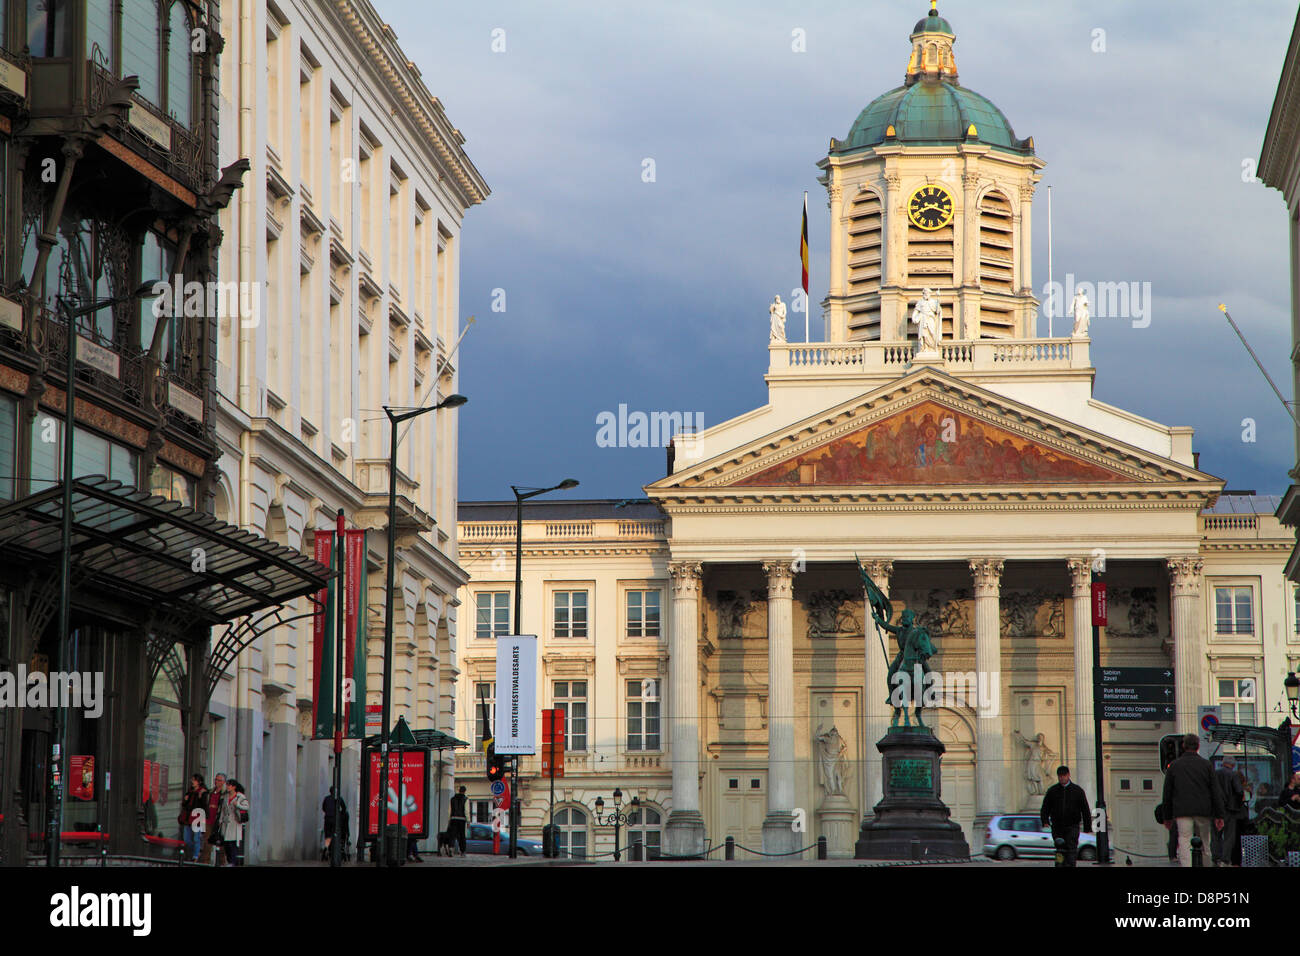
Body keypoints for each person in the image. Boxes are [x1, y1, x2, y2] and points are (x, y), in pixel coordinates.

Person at [1161, 734, 1224, 867]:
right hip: (1203, 811)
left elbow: (1167, 794)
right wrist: (1219, 815)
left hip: (1182, 811)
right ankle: (1206, 864)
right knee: (1205, 842)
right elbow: (1215, 792)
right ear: (1198, 746)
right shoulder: (1206, 765)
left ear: (1183, 746)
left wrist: (1167, 817)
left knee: (1184, 840)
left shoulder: (1174, 766)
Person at [1040, 765, 1092, 866]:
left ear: (1068, 775)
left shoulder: (1077, 791)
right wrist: (1045, 821)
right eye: (1060, 776)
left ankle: (1071, 865)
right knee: (1059, 849)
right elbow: (1045, 808)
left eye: (1064, 776)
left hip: (1072, 826)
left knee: (1071, 850)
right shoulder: (1052, 791)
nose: (1062, 778)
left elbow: (1085, 809)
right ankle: (1059, 865)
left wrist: (1087, 827)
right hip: (1057, 827)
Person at [1211, 756, 1246, 867]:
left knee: (1216, 834)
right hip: (1230, 809)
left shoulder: (1215, 774)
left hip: (1216, 809)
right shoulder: (1234, 774)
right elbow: (1239, 791)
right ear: (1233, 764)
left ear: (1223, 763)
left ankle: (1216, 858)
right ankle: (1225, 859)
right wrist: (1238, 803)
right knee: (1229, 836)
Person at [218, 777, 250, 866]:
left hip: (235, 822)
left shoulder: (240, 796)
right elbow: (223, 810)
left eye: (230, 785)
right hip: (226, 822)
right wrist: (220, 820)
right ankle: (230, 861)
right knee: (226, 844)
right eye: (227, 785)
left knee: (232, 844)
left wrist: (238, 805)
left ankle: (233, 862)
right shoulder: (225, 797)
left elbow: (246, 806)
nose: (228, 787)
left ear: (234, 787)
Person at [179, 774, 209, 862]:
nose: (192, 782)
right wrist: (185, 800)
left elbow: (204, 805)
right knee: (187, 839)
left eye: (194, 780)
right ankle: (195, 852)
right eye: (192, 780)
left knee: (196, 838)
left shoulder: (203, 792)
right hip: (188, 818)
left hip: (197, 817)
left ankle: (195, 855)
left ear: (199, 782)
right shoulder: (190, 791)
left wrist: (200, 797)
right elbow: (184, 804)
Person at [202, 773, 226, 865]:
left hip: (219, 821)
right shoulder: (211, 792)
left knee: (220, 844)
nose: (216, 782)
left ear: (223, 782)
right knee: (207, 843)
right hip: (209, 820)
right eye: (216, 779)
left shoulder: (224, 793)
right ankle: (205, 862)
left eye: (219, 780)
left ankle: (222, 863)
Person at [322, 787, 345, 860]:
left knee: (328, 835)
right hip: (335, 820)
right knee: (336, 833)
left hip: (328, 819)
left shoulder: (326, 798)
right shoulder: (339, 799)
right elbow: (344, 808)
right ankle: (335, 848)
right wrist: (340, 814)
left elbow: (323, 808)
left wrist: (328, 813)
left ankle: (326, 847)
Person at [448, 785, 469, 857]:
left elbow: (449, 811)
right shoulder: (466, 799)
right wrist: (468, 821)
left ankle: (451, 848)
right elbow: (466, 811)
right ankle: (462, 852)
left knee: (452, 835)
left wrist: (449, 820)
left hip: (453, 819)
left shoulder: (452, 799)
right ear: (464, 791)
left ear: (459, 790)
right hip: (461, 819)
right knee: (462, 836)